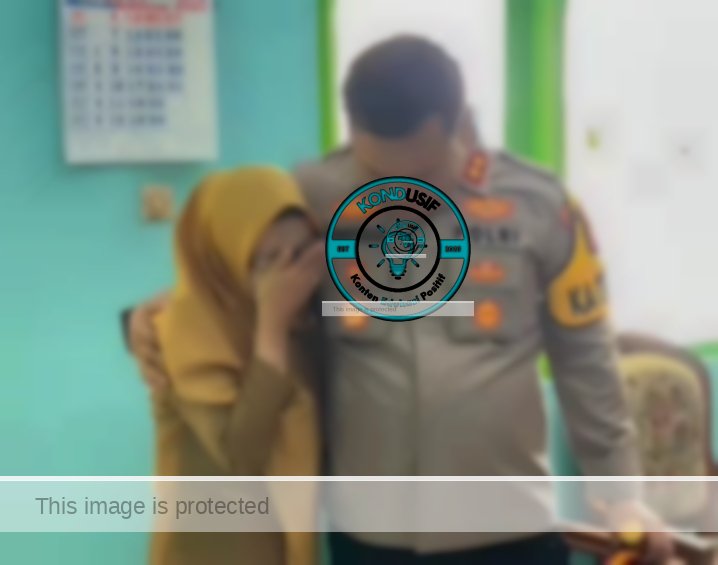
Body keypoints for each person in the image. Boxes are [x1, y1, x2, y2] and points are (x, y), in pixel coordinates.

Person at [126, 37, 673, 564]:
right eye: (377, 173)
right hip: (371, 532)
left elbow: (584, 354)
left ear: (459, 124)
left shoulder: (540, 205)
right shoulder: (316, 193)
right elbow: (236, 275)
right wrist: (152, 317)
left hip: (507, 523)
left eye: (421, 174)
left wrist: (620, 492)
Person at [149, 167, 323, 565]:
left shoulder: (306, 319)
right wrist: (271, 329)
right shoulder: (187, 330)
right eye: (267, 260)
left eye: (300, 253)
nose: (289, 276)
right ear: (222, 261)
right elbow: (239, 455)